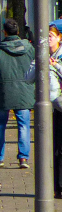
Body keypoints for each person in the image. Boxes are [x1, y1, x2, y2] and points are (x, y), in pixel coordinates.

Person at [0, 18, 34, 169]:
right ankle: (23, 158)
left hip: (3, 92)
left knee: (0, 124)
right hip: (25, 91)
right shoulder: (29, 48)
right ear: (18, 32)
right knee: (24, 125)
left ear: (4, 32)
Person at [50, 22, 62, 198]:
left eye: (50, 36)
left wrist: (56, 65)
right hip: (54, 106)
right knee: (56, 148)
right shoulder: (43, 54)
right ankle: (57, 187)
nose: (47, 40)